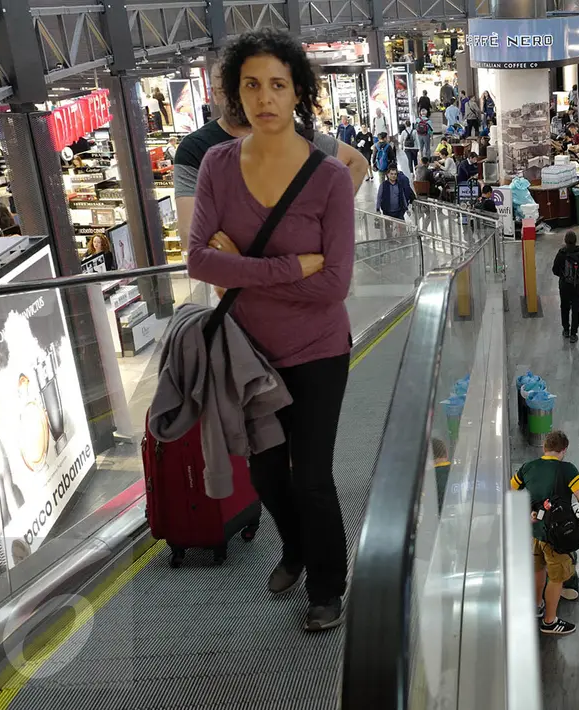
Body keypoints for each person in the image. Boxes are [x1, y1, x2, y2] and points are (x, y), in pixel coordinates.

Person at [187, 29, 356, 632]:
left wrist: (243, 266)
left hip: (317, 352)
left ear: (298, 93)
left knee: (310, 476)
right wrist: (289, 268)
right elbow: (199, 261)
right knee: (263, 473)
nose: (263, 97)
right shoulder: (217, 165)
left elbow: (334, 284)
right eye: (251, 85)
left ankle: (329, 584)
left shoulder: (330, 179)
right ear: (235, 93)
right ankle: (295, 549)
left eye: (277, 85)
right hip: (248, 353)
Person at [172, 48, 367, 246]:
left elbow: (356, 162)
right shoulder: (196, 149)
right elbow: (191, 233)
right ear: (215, 94)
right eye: (226, 90)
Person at [510, 430, 579, 636]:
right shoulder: (568, 470)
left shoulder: (528, 467)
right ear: (564, 450)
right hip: (557, 537)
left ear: (544, 448)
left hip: (535, 532)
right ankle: (549, 621)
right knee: (556, 578)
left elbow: (510, 492)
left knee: (539, 571)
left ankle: (537, 606)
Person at [552, 231, 579, 343]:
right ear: (575, 241)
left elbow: (554, 270)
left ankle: (566, 330)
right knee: (576, 309)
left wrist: (563, 276)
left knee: (564, 307)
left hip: (565, 285)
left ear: (565, 241)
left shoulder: (561, 253)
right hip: (578, 285)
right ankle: (574, 334)